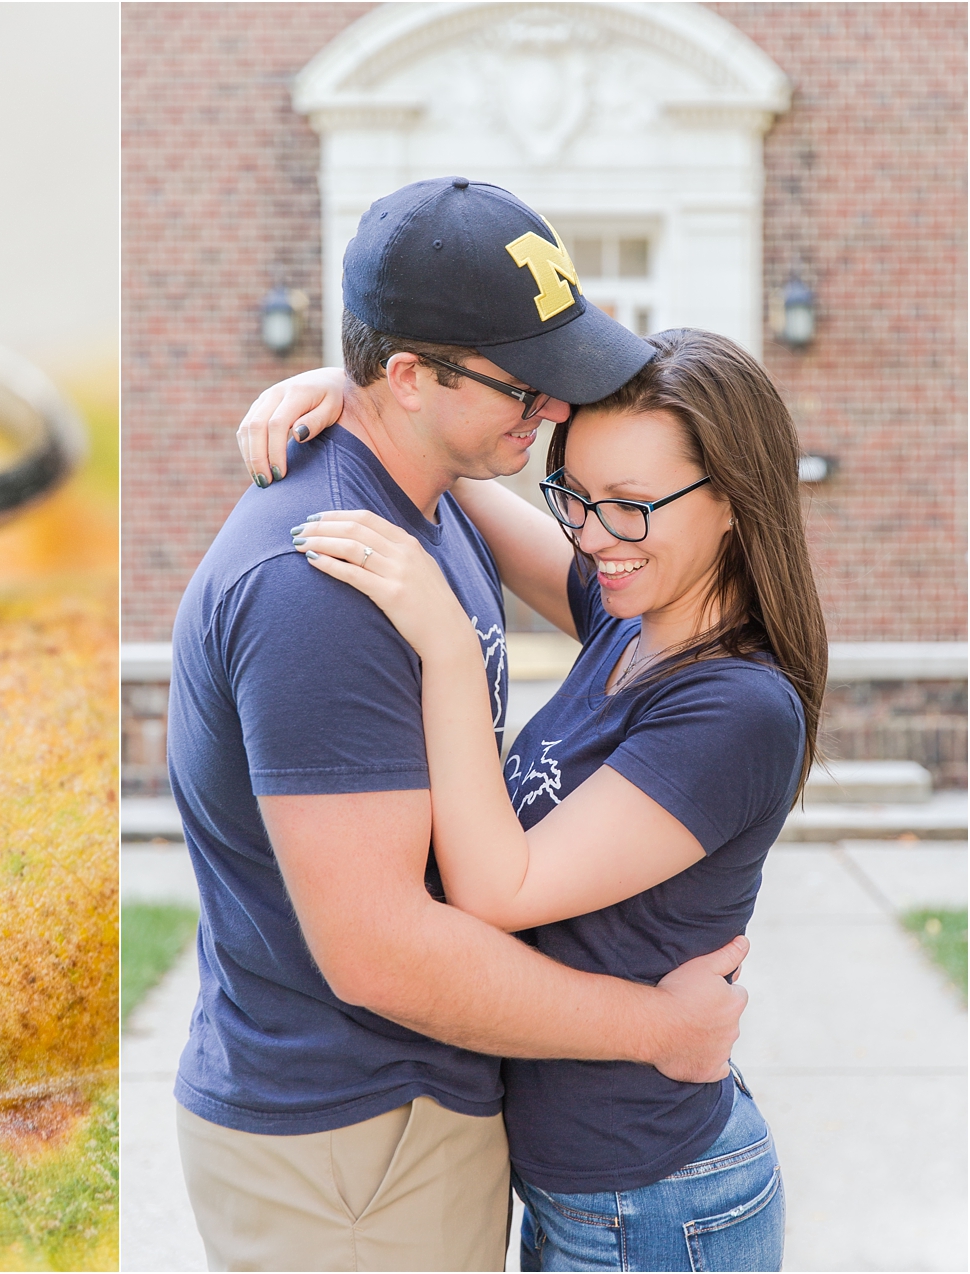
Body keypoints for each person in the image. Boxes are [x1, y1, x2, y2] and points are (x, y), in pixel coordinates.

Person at [165, 175, 752, 1272]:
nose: (554, 412)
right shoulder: (323, 586)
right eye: (523, 385)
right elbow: (379, 953)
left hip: (402, 1124)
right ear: (410, 375)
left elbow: (613, 591)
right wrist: (653, 1029)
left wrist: (349, 397)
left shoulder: (426, 512)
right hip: (347, 1143)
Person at [252, 326, 824, 1269]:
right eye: (578, 497)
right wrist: (358, 397)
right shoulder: (630, 618)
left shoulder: (735, 708)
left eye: (633, 506)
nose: (596, 535)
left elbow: (497, 886)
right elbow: (457, 473)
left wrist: (444, 641)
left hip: (658, 1206)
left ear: (734, 500)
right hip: (590, 1192)